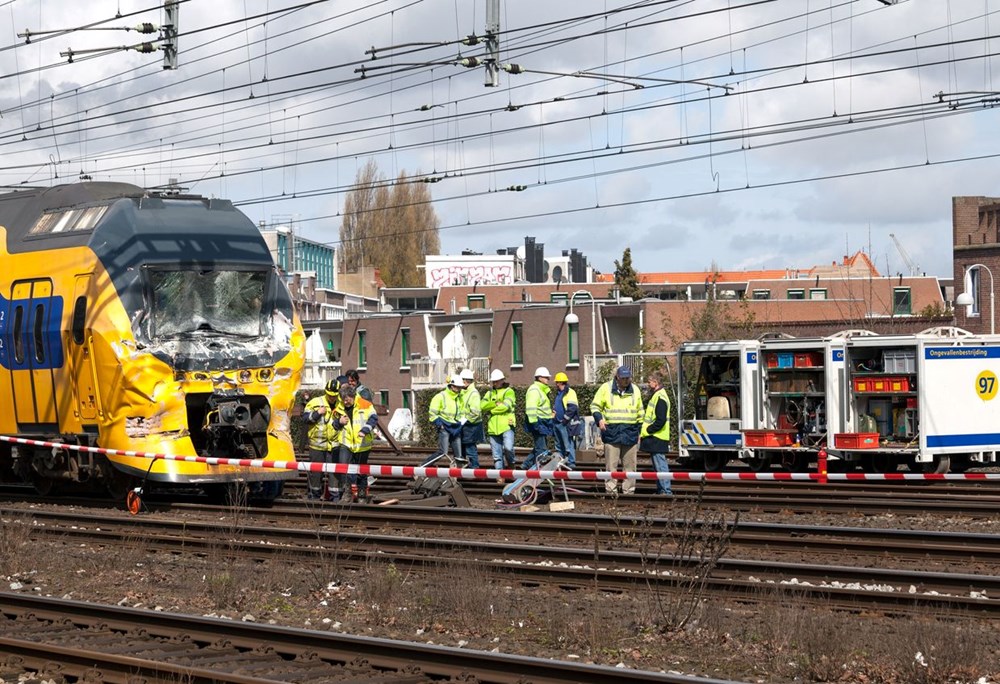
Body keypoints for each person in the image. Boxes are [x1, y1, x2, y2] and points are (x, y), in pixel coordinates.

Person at [590, 365, 644, 495]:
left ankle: (628, 491)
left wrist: (640, 432)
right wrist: (599, 419)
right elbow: (595, 406)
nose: (626, 381)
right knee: (611, 466)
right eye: (623, 378)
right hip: (612, 432)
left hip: (630, 433)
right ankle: (611, 491)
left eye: (628, 378)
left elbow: (640, 412)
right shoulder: (606, 388)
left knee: (630, 467)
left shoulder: (635, 390)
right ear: (617, 377)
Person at [332, 384, 379, 502]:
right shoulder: (339, 406)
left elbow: (373, 418)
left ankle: (362, 494)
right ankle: (347, 493)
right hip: (346, 443)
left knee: (361, 471)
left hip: (362, 444)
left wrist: (365, 430)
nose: (346, 403)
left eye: (348, 400)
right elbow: (333, 424)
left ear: (353, 396)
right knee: (344, 468)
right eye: (343, 400)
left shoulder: (365, 404)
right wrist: (339, 421)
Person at [302, 379, 341, 500]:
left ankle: (335, 497)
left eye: (334, 396)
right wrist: (317, 413)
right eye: (330, 395)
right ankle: (314, 496)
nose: (332, 398)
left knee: (335, 474)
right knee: (316, 474)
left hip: (334, 445)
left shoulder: (341, 404)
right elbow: (305, 419)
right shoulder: (315, 402)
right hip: (317, 446)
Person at [640, 371, 673, 496]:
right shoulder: (659, 395)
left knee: (660, 465)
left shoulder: (660, 397)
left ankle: (665, 490)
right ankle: (662, 490)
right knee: (658, 466)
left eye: (649, 381)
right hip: (658, 436)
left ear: (655, 382)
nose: (648, 384)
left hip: (657, 436)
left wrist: (648, 430)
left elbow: (660, 420)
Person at [481, 368, 516, 483]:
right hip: (493, 428)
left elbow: (506, 406)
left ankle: (511, 467)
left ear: (502, 380)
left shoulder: (509, 391)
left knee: (508, 448)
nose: (494, 383)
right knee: (496, 455)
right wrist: (495, 403)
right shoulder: (489, 393)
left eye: (496, 381)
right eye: (493, 381)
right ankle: (500, 476)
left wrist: (491, 410)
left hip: (506, 425)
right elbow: (482, 406)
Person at [428, 374, 465, 464]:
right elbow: (432, 413)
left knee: (459, 456)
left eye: (460, 387)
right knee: (443, 452)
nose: (460, 389)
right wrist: (440, 425)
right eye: (458, 387)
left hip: (456, 427)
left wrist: (460, 424)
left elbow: (462, 412)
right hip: (444, 426)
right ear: (452, 386)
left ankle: (456, 475)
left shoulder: (459, 398)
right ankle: (421, 467)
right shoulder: (441, 396)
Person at [524, 367, 554, 469]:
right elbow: (531, 408)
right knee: (541, 448)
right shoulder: (534, 390)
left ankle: (526, 465)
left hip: (542, 422)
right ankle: (536, 468)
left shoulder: (540, 390)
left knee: (540, 447)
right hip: (538, 422)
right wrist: (535, 423)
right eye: (546, 377)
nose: (548, 379)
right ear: (540, 378)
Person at [552, 372, 580, 469]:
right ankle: (560, 461)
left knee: (568, 444)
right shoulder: (559, 393)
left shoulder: (570, 392)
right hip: (557, 422)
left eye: (556, 382)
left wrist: (564, 420)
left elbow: (572, 408)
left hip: (565, 423)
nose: (555, 384)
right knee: (559, 444)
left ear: (560, 382)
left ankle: (571, 462)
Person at [459, 368, 483, 468]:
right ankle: (466, 467)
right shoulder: (464, 392)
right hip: (466, 424)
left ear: (465, 381)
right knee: (463, 447)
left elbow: (475, 412)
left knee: (469, 447)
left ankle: (475, 467)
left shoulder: (473, 393)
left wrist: (465, 419)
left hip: (471, 425)